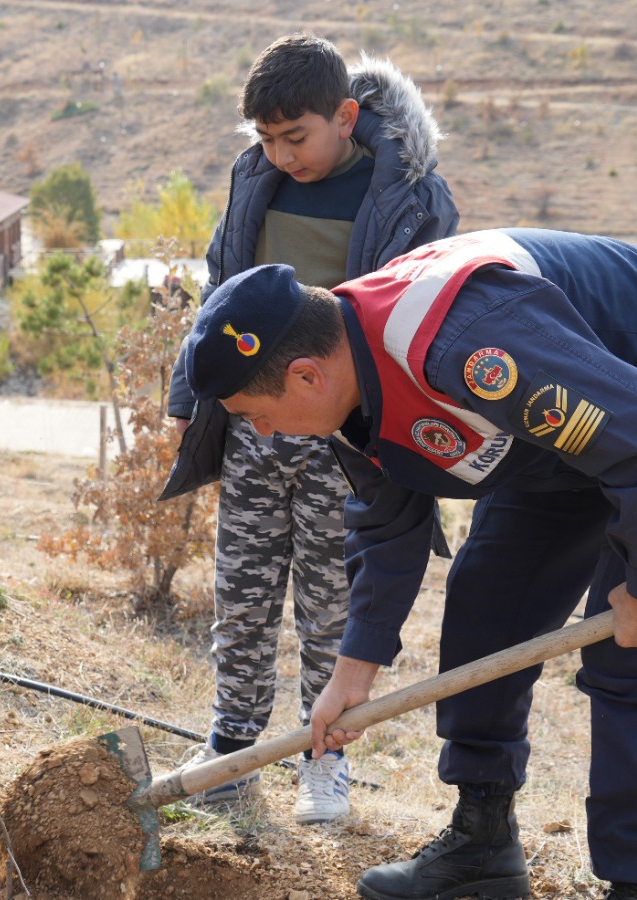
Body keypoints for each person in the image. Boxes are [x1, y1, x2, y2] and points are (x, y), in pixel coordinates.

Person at [180, 230, 637, 900]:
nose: (263, 435)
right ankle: (483, 843)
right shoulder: (352, 372)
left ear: (305, 375)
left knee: (634, 653)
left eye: (257, 416)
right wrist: (352, 675)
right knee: (487, 605)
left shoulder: (463, 347)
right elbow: (388, 527)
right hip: (580, 428)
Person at [162, 33, 459, 825]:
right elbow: (221, 282)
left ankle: (325, 758)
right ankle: (230, 745)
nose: (283, 155)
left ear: (346, 116)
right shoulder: (254, 178)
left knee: (331, 598)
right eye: (266, 139)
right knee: (245, 587)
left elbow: (428, 313)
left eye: (297, 137)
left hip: (346, 432)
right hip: (257, 425)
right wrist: (190, 392)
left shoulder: (409, 195)